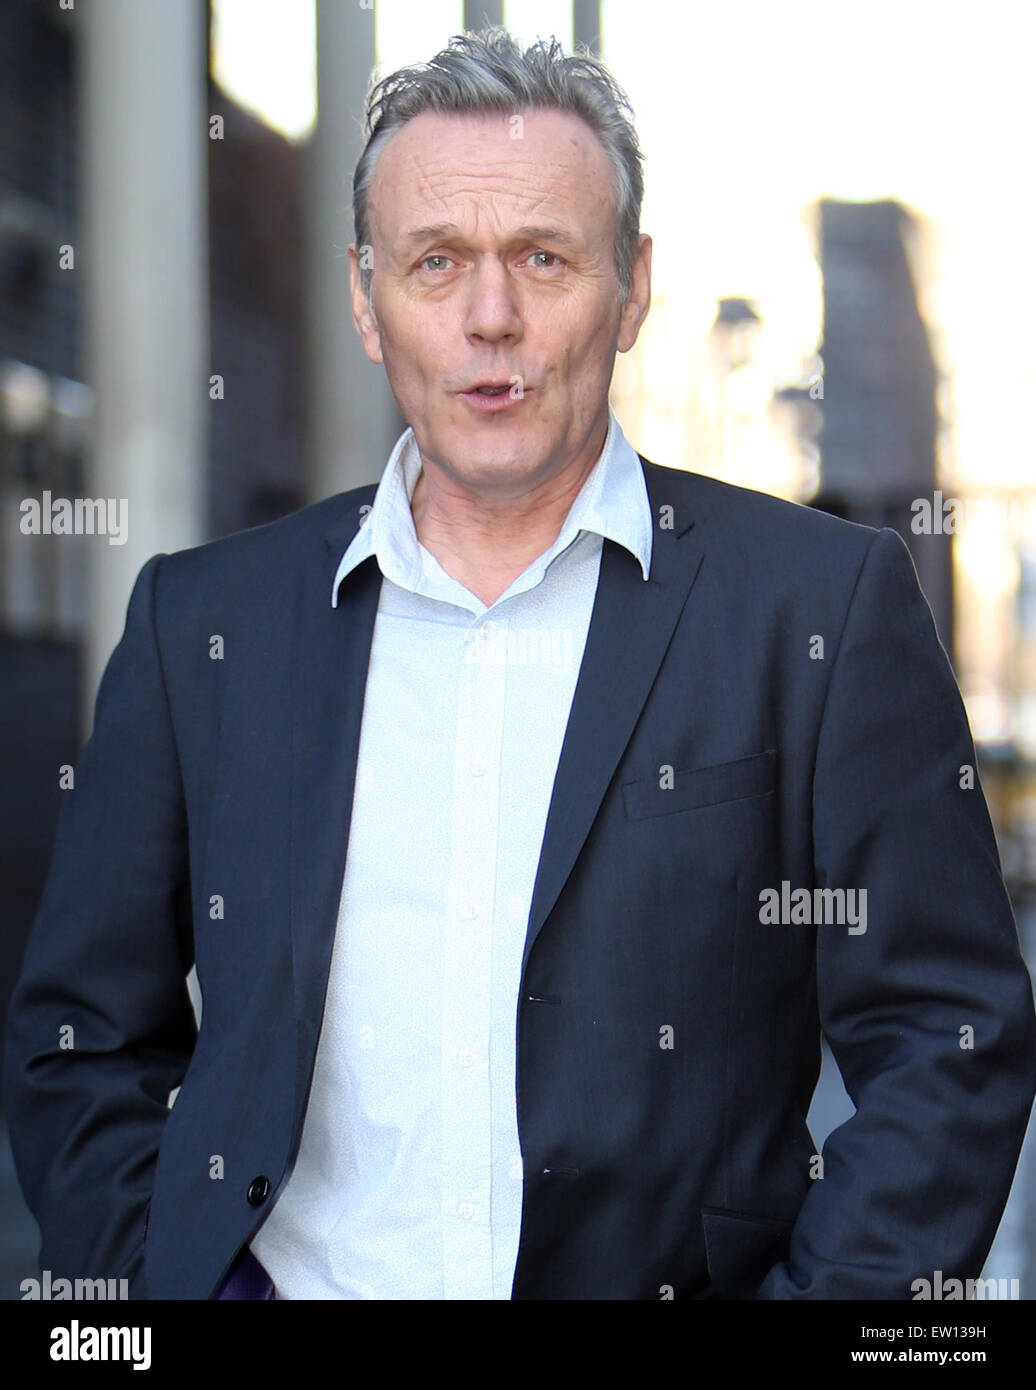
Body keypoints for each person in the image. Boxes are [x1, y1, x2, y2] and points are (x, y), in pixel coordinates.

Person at [5, 27, 1035, 1301]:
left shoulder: (817, 607)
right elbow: (77, 1042)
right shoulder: (201, 628)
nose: (490, 319)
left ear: (633, 286)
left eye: (542, 259)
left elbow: (948, 1036)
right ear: (366, 299)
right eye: (436, 263)